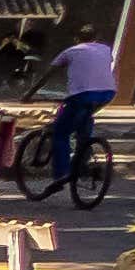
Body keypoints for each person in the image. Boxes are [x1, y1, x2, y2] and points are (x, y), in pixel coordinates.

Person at [47, 26, 121, 183]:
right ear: (97, 37)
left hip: (82, 94)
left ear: (76, 38)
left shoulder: (71, 51)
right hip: (107, 93)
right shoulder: (105, 49)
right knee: (85, 119)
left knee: (60, 134)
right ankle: (82, 162)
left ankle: (62, 173)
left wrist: (29, 94)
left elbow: (50, 72)